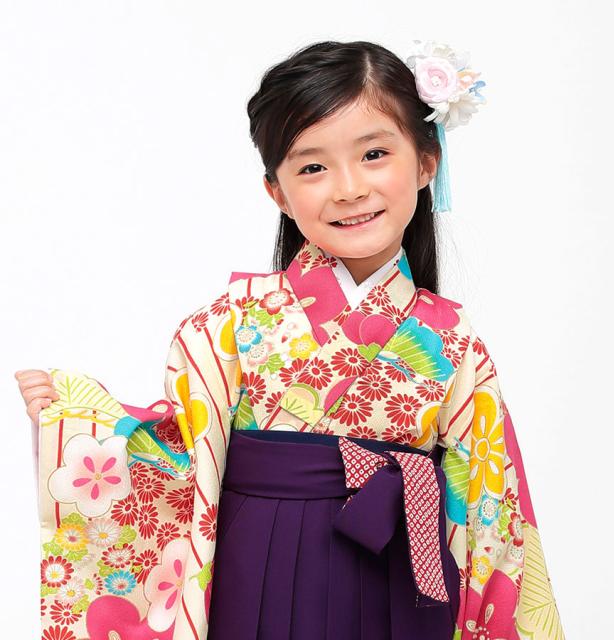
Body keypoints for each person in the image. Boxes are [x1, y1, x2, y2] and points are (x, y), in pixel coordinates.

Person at [16, 39, 565, 640]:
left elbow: (489, 496)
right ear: (277, 191)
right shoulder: (231, 322)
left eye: (374, 154)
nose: (348, 188)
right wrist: (76, 424)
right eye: (312, 167)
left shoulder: (453, 338)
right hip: (258, 577)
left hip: (404, 585)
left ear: (427, 163)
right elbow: (179, 452)